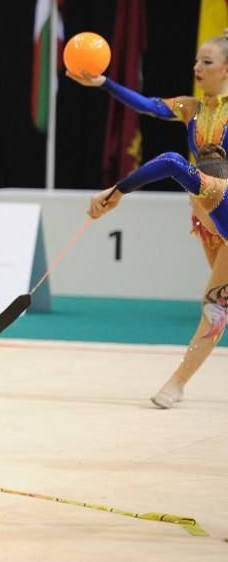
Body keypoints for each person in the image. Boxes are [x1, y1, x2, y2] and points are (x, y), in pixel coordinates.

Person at [68, 31, 228, 265]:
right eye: (196, 61)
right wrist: (104, 83)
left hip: (220, 196)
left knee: (217, 293)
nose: (197, 68)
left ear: (226, 70)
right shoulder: (191, 107)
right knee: (219, 295)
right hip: (205, 206)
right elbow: (150, 106)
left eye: (206, 62)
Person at [89, 144, 228, 408]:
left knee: (216, 310)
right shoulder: (216, 198)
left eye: (191, 202)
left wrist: (117, 192)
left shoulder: (215, 194)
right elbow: (171, 161)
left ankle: (178, 382)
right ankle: (178, 382)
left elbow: (172, 161)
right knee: (216, 310)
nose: (193, 213)